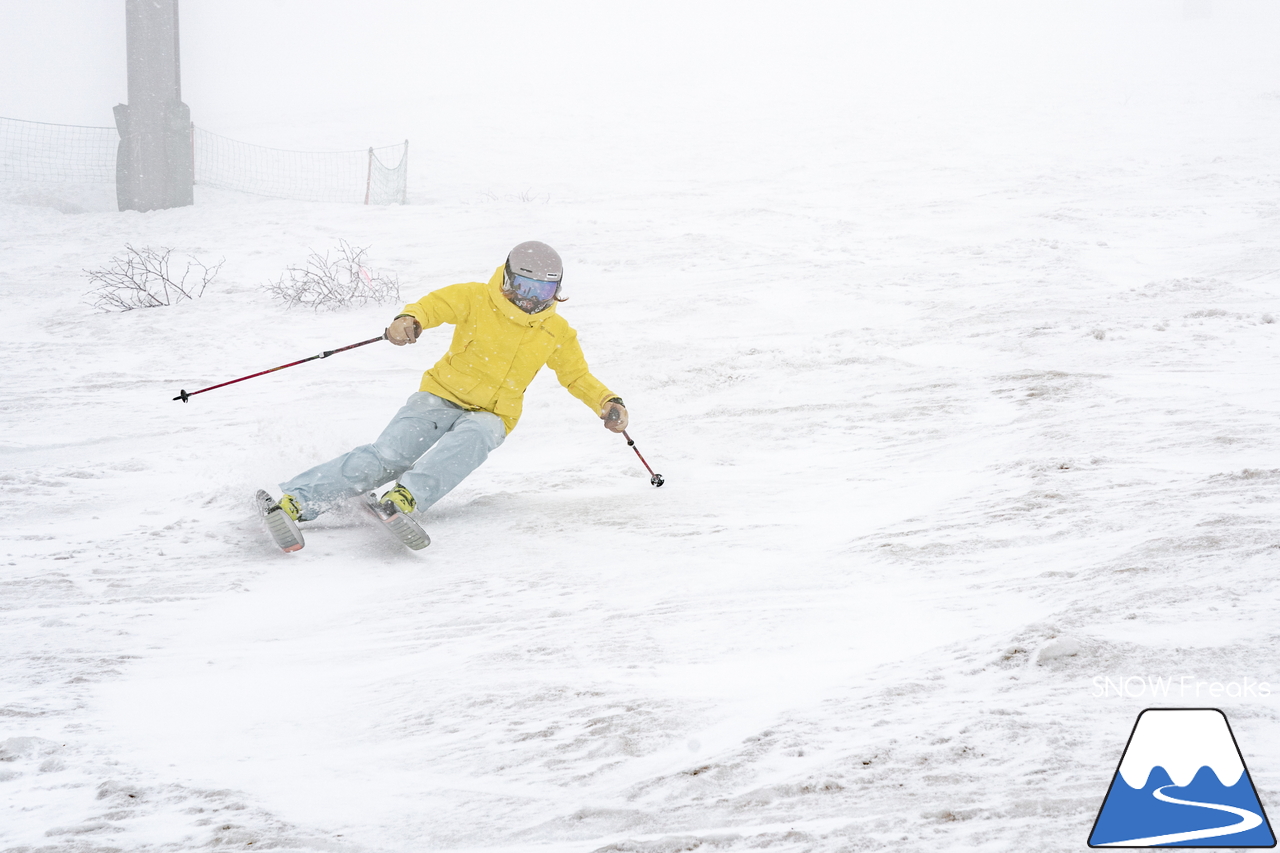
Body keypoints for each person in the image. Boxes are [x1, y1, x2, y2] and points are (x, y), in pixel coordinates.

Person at [258, 241, 627, 551]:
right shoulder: (475, 298)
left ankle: (404, 500)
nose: (532, 300)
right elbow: (432, 307)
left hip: (494, 413)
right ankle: (296, 501)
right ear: (509, 280)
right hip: (441, 395)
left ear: (556, 289)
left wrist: (607, 402)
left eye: (543, 292)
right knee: (389, 455)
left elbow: (576, 375)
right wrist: (409, 320)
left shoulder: (556, 331)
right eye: (526, 288)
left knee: (475, 438)